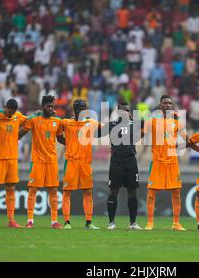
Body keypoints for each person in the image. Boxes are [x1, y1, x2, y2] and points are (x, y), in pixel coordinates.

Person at [18, 96, 65, 229]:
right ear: (43, 106)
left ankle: (54, 221)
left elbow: (61, 138)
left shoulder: (57, 121)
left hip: (51, 161)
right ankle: (30, 220)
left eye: (53, 107)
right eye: (49, 106)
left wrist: (72, 144)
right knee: (33, 189)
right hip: (37, 161)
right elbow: (20, 133)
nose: (51, 109)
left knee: (53, 190)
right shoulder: (33, 120)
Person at [144, 95, 188, 231]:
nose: (168, 105)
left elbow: (187, 140)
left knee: (176, 192)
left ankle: (176, 223)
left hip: (172, 162)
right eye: (165, 103)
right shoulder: (152, 120)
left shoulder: (177, 120)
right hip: (157, 162)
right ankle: (150, 223)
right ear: (160, 105)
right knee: (151, 193)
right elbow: (141, 134)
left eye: (170, 103)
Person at [0, 98, 27, 228]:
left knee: (11, 189)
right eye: (9, 112)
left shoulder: (17, 116)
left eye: (13, 112)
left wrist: (19, 135)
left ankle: (11, 220)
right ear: (5, 107)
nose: (11, 114)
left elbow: (29, 122)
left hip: (13, 159)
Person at [60, 99, 102, 230]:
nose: (81, 111)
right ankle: (67, 222)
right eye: (78, 108)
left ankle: (88, 223)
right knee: (67, 192)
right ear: (74, 109)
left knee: (88, 192)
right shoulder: (66, 123)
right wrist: (70, 144)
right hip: (71, 162)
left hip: (85, 163)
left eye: (83, 108)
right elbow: (57, 135)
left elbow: (103, 131)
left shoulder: (92, 123)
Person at [106, 102, 143, 230]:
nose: (126, 112)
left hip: (130, 160)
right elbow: (96, 132)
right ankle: (111, 222)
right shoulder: (112, 125)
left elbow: (151, 126)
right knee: (113, 191)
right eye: (123, 110)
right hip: (116, 161)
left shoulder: (136, 124)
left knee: (132, 191)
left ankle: (133, 223)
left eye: (127, 110)